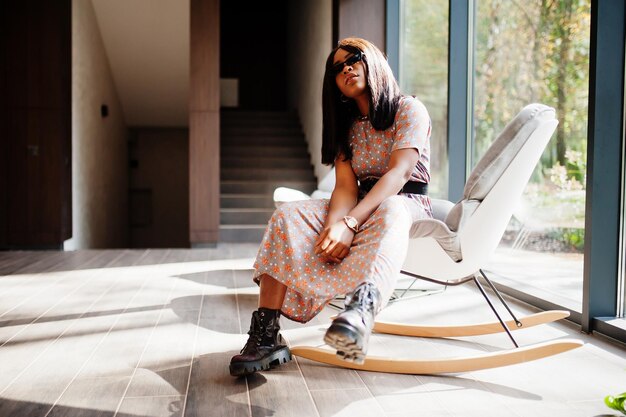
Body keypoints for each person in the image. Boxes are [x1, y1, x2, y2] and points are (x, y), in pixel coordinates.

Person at [229, 37, 432, 377]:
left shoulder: (409, 108)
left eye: (353, 59)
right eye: (338, 68)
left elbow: (399, 174)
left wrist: (351, 223)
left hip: (405, 202)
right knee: (287, 215)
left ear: (374, 62)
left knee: (392, 208)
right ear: (335, 85)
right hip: (359, 207)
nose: (347, 68)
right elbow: (344, 188)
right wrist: (333, 228)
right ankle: (266, 335)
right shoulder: (348, 128)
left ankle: (358, 316)